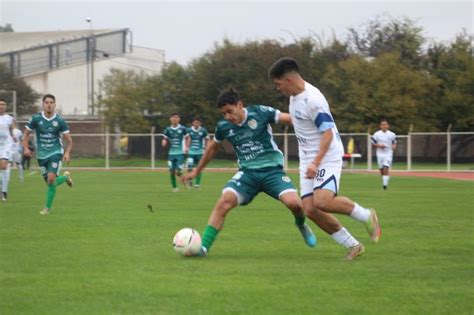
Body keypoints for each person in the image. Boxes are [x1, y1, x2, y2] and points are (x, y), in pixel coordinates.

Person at [268, 57, 381, 259]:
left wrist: (315, 162)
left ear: (289, 80)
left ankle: (367, 215)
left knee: (323, 201)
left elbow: (327, 134)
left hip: (326, 156)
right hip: (308, 159)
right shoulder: (294, 96)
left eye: (278, 84)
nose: (278, 89)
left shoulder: (314, 100)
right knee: (310, 210)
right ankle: (353, 245)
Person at [182, 88, 316, 257]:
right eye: (224, 114)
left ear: (240, 105)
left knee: (295, 204)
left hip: (272, 171)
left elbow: (290, 119)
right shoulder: (224, 127)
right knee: (224, 202)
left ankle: (301, 225)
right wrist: (196, 171)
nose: (228, 117)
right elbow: (211, 149)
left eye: (230, 111)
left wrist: (315, 124)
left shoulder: (260, 112)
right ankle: (203, 249)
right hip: (247, 174)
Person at [23, 94, 73, 215]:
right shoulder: (36, 119)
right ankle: (65, 178)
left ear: (54, 105)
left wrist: (66, 152)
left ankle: (47, 209)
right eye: (47, 102)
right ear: (43, 104)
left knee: (51, 180)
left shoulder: (60, 121)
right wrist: (25, 148)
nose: (49, 104)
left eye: (51, 102)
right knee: (51, 183)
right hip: (41, 155)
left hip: (56, 152)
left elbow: (69, 140)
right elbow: (26, 134)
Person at [161, 113, 188, 192]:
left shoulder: (183, 128)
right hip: (171, 154)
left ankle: (185, 180)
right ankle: (175, 188)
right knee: (171, 171)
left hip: (180, 153)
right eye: (173, 117)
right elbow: (165, 138)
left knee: (177, 171)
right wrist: (164, 141)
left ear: (179, 119)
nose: (174, 119)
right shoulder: (167, 129)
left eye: (176, 117)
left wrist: (186, 146)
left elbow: (187, 137)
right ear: (170, 119)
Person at [371, 119, 397, 190]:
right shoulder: (376, 134)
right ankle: (386, 178)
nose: (384, 126)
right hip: (379, 154)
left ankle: (384, 186)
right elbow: (372, 145)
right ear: (380, 126)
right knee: (382, 170)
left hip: (388, 153)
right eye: (382, 125)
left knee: (386, 167)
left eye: (385, 124)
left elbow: (394, 143)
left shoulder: (392, 134)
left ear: (388, 126)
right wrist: (378, 145)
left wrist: (394, 147)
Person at [185, 118, 209, 188]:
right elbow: (186, 138)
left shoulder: (203, 130)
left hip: (200, 152)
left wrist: (207, 147)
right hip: (191, 152)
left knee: (199, 168)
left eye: (198, 122)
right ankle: (190, 181)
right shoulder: (189, 130)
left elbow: (207, 138)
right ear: (193, 123)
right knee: (189, 167)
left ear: (200, 123)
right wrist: (186, 147)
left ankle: (197, 184)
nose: (196, 124)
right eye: (195, 122)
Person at [0, 98, 16, 201]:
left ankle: (4, 191)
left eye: (3, 104)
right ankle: (2, 188)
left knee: (4, 166)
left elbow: (14, 128)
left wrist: (14, 134)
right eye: (0, 104)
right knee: (2, 169)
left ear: (6, 106)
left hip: (6, 145)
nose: (1, 106)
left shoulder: (9, 118)